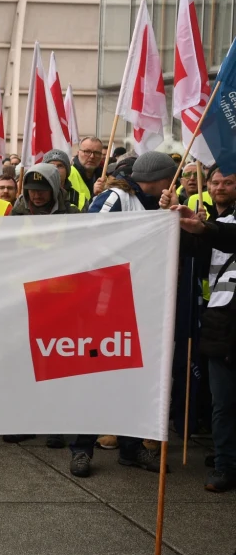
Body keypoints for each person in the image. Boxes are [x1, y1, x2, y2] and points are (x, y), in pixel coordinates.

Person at [68, 151, 177, 479]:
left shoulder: (152, 202)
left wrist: (166, 215)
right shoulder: (114, 198)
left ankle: (131, 448)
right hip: (104, 305)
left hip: (142, 305)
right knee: (94, 377)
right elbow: (89, 242)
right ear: (158, 177)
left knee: (135, 377)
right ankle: (81, 449)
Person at [169, 201, 236, 491]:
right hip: (223, 322)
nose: (221, 188)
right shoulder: (225, 223)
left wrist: (205, 227)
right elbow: (197, 251)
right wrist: (192, 229)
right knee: (223, 402)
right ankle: (225, 465)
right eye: (217, 182)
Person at [11, 165, 79, 216]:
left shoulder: (71, 213)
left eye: (42, 191)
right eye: (32, 190)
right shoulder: (17, 212)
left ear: (53, 189)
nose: (37, 195)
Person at [71, 137, 105, 205]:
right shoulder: (68, 174)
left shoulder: (105, 176)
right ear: (78, 153)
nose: (92, 156)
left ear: (101, 156)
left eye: (97, 153)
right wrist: (94, 195)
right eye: (87, 151)